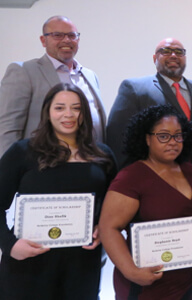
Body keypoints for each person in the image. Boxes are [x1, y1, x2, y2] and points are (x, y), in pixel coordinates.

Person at [0, 82, 115, 299]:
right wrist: (10, 245)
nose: (68, 114)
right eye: (60, 107)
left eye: (77, 108)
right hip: (29, 265)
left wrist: (103, 227)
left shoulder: (103, 155)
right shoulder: (22, 152)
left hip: (81, 267)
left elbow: (114, 207)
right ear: (48, 112)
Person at [99, 105, 192, 300]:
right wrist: (131, 271)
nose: (172, 142)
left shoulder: (189, 170)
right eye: (163, 136)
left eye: (178, 136)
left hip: (184, 280)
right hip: (144, 283)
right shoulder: (131, 177)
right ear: (147, 139)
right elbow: (109, 228)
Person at [0, 15, 107, 156]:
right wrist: (10, 170)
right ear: (43, 40)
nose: (66, 40)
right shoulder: (24, 71)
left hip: (89, 162)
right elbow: (8, 128)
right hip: (42, 165)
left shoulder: (90, 76)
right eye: (57, 35)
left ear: (78, 40)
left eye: (71, 35)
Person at [106, 37, 192, 169]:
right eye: (166, 51)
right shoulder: (135, 89)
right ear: (155, 59)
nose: (173, 55)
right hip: (153, 174)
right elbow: (118, 136)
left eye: (179, 52)